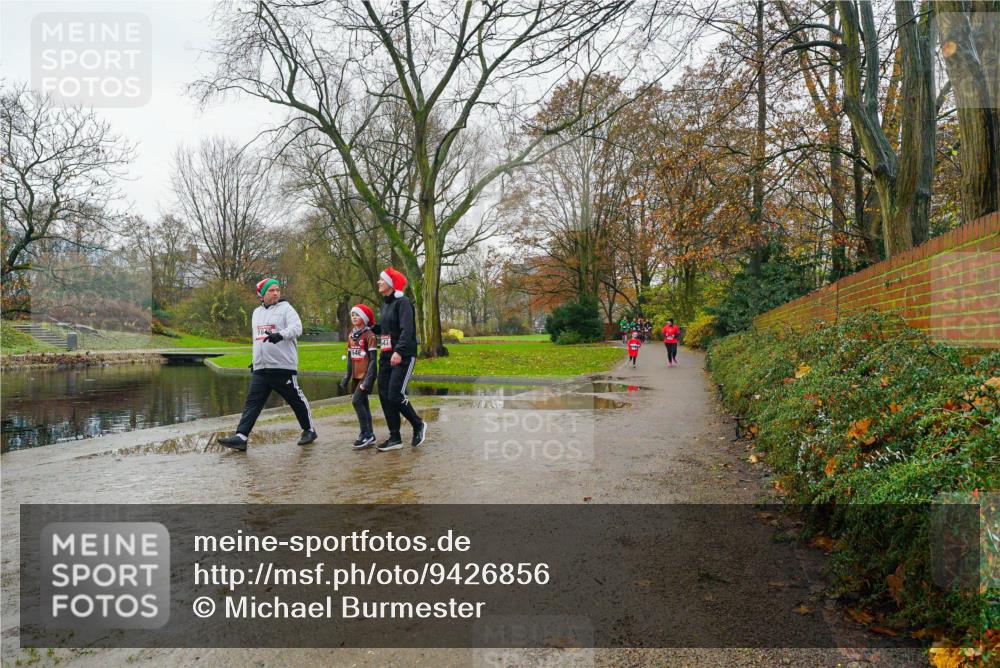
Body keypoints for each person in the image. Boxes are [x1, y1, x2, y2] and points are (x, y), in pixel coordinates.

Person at [218, 278, 316, 451]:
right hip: (261, 368)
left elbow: (297, 327)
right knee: (252, 402)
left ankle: (309, 430)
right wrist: (256, 360)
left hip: (282, 366)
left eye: (277, 290)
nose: (276, 293)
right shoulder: (256, 313)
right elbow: (257, 340)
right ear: (262, 294)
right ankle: (241, 437)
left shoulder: (286, 308)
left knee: (295, 399)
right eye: (271, 290)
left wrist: (281, 335)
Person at [374, 267, 427, 451]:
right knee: (384, 395)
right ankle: (394, 437)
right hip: (386, 356)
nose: (378, 282)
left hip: (402, 355)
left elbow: (407, 330)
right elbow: (388, 328)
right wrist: (372, 327)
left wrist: (398, 350)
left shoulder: (403, 302)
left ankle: (418, 424)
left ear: (390, 283)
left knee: (395, 394)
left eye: (381, 280)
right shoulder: (386, 304)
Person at [339, 303, 378, 450]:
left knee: (356, 401)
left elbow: (373, 360)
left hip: (367, 374)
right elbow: (350, 359)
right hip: (356, 375)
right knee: (364, 403)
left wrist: (368, 380)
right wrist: (347, 377)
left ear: (364, 318)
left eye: (357, 315)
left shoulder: (370, 336)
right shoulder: (351, 335)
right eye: (352, 315)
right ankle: (371, 434)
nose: (354, 317)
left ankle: (365, 434)